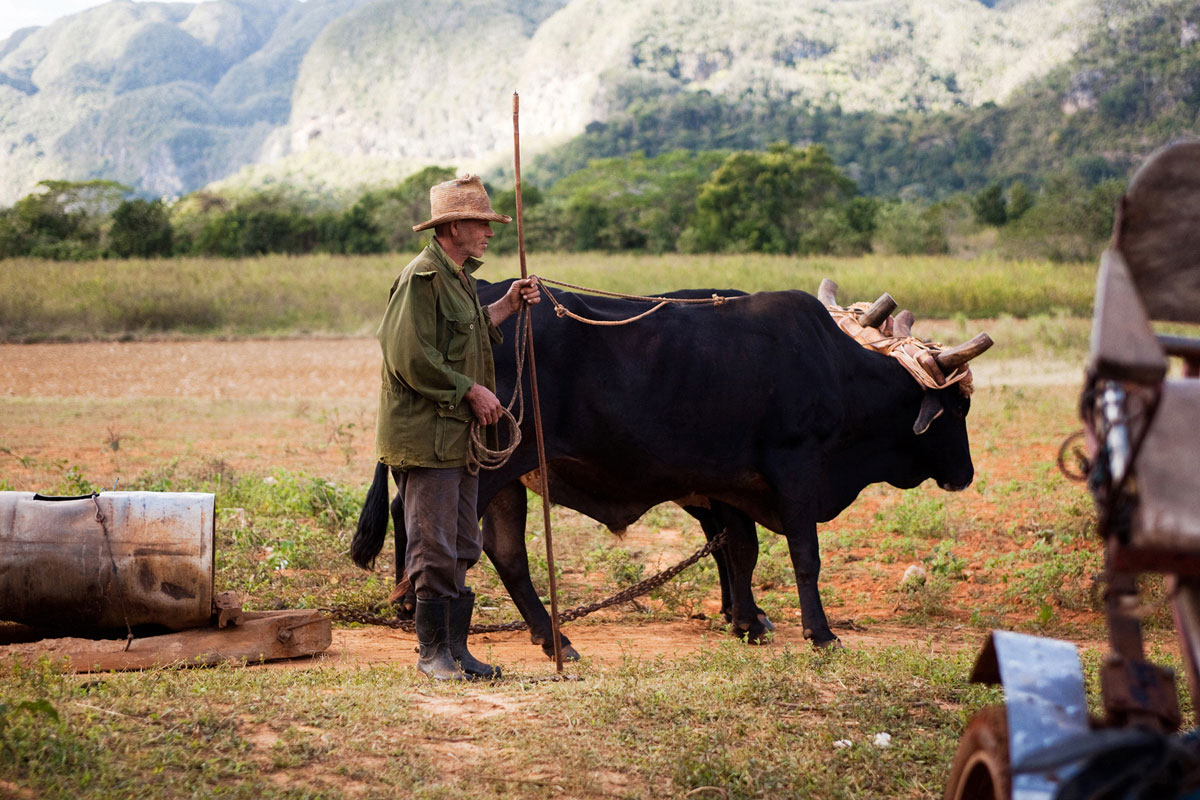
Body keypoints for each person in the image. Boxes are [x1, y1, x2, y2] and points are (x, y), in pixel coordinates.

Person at [375, 174, 539, 681]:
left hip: (457, 438)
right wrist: (470, 389)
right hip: (427, 438)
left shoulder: (459, 276)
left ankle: (456, 651)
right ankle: (432, 656)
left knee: (463, 541)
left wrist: (508, 304)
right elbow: (407, 354)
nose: (490, 233)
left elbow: (466, 332)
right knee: (433, 546)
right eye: (481, 224)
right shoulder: (421, 278)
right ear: (453, 226)